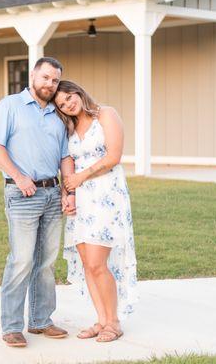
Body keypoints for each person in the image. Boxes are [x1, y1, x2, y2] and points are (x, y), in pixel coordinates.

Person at [0, 57, 75, 348]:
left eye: (55, 80)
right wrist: (19, 176)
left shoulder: (57, 114)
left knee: (47, 262)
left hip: (52, 194)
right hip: (22, 194)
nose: (50, 84)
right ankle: (11, 326)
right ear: (33, 75)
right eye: (46, 77)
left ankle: (40, 321)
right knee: (21, 260)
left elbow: (64, 156)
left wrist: (67, 190)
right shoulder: (10, 106)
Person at [53, 80, 138, 343]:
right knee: (88, 265)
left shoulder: (106, 114)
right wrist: (68, 194)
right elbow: (67, 164)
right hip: (82, 201)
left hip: (106, 195)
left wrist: (82, 177)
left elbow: (114, 156)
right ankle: (101, 321)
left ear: (78, 91)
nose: (68, 103)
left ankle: (114, 322)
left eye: (69, 96)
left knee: (97, 263)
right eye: (62, 104)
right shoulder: (69, 129)